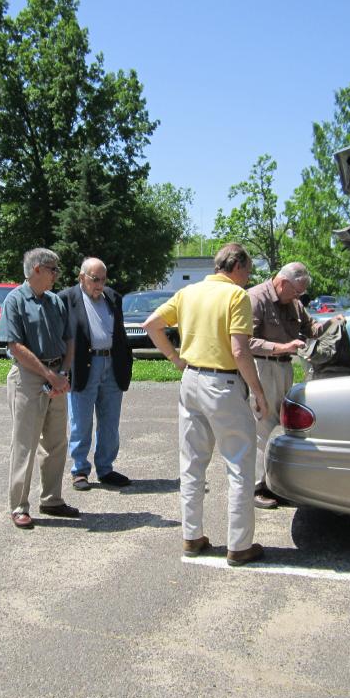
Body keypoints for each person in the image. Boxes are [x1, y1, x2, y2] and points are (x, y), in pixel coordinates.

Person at [143, 243, 269, 567]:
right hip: (223, 386)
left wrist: (175, 358)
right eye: (248, 270)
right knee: (239, 465)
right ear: (238, 266)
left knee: (192, 463)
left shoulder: (189, 293)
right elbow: (240, 351)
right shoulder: (236, 296)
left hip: (191, 381)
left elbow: (152, 324)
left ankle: (192, 536)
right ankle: (239, 546)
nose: (249, 277)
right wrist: (257, 391)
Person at [0, 247, 78, 529]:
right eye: (53, 269)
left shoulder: (56, 301)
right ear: (37, 270)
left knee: (56, 442)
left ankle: (52, 499)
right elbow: (14, 346)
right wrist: (48, 375)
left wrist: (63, 373)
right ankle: (19, 506)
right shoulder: (15, 300)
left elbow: (69, 339)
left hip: (57, 373)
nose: (57, 274)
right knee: (25, 444)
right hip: (28, 377)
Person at [248, 262, 331, 509]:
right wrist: (282, 347)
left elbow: (311, 328)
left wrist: (331, 323)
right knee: (261, 426)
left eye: (301, 294)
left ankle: (275, 484)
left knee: (282, 426)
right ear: (282, 282)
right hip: (262, 367)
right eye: (296, 291)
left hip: (284, 367)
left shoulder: (293, 302)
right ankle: (255, 487)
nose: (299, 297)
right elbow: (244, 341)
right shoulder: (256, 298)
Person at [59, 257, 134, 491]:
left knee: (110, 422)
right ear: (82, 278)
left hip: (112, 365)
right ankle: (79, 470)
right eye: (95, 279)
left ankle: (106, 468)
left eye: (103, 279)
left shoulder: (113, 298)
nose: (99, 284)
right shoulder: (66, 299)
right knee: (80, 421)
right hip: (83, 366)